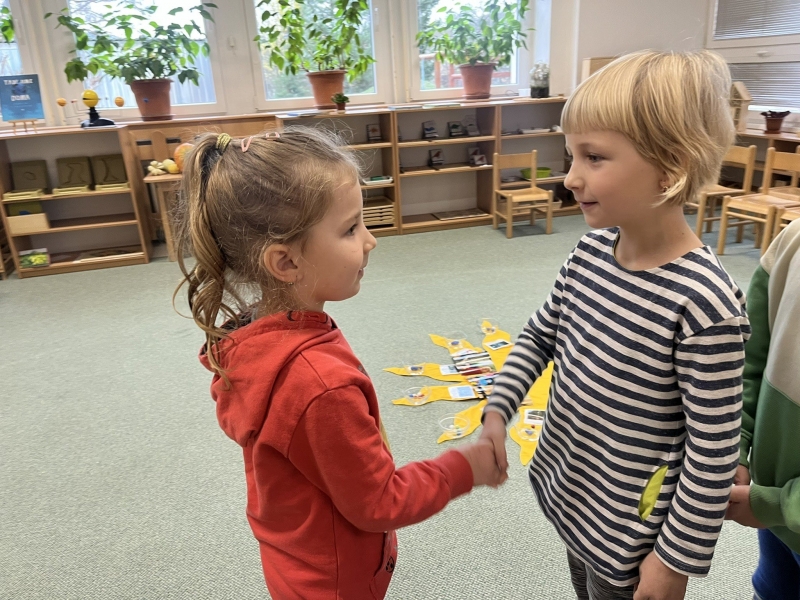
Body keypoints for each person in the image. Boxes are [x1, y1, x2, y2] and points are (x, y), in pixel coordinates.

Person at [174, 128, 506, 599]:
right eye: (350, 229)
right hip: (335, 582)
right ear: (285, 263)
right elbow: (380, 502)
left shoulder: (257, 339)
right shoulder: (319, 385)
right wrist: (463, 468)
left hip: (295, 558)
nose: (370, 241)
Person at [480, 50, 751, 600]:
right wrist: (497, 408)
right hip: (578, 500)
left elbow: (713, 453)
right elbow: (540, 335)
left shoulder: (705, 304)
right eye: (571, 155)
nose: (570, 177)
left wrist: (674, 561)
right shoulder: (590, 251)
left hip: (634, 536)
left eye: (594, 157)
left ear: (671, 167)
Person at [725, 217, 800, 600]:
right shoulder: (793, 241)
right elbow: (749, 359)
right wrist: (737, 442)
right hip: (776, 512)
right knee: (772, 589)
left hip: (781, 506)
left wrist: (782, 506)